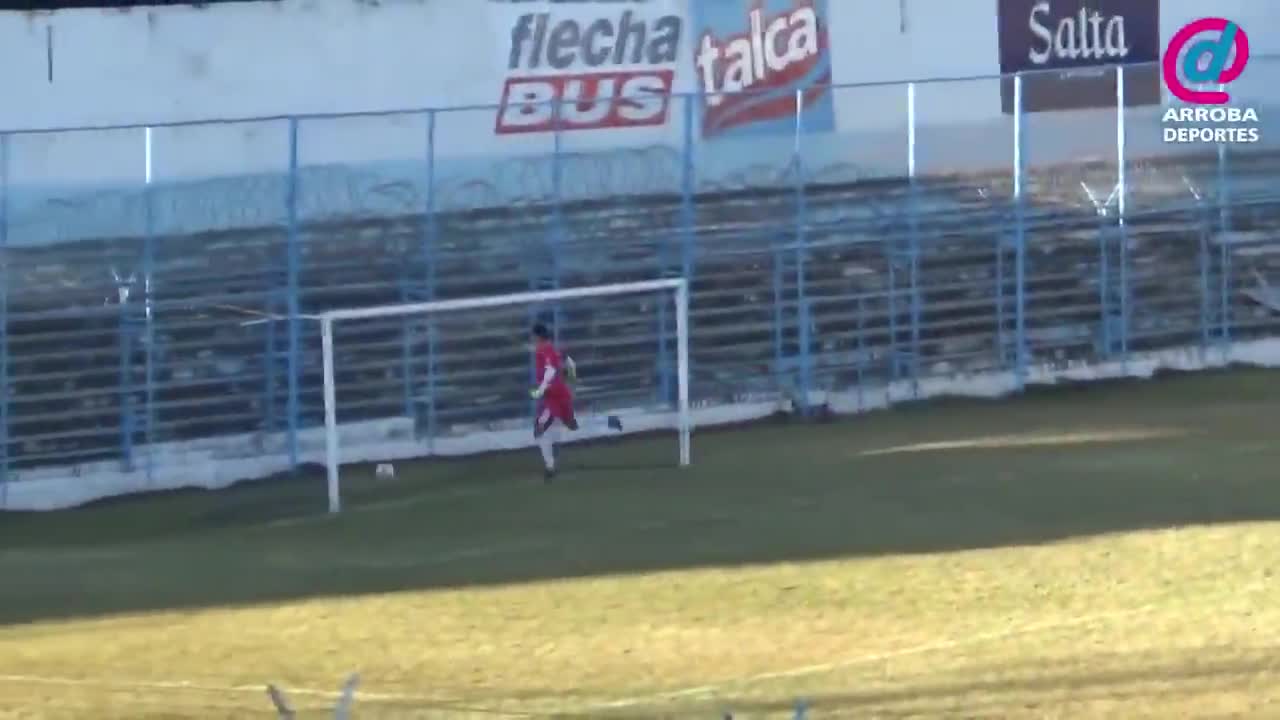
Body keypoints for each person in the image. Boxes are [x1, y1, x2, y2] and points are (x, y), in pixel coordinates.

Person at [529, 323, 621, 482]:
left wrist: (542, 388)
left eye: (533, 336)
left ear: (537, 336)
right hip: (561, 393)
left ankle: (550, 467)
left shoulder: (544, 350)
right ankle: (607, 421)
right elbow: (569, 363)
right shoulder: (550, 349)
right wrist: (571, 380)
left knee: (539, 429)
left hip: (553, 397)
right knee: (572, 425)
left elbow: (550, 370)